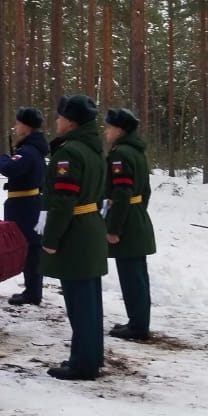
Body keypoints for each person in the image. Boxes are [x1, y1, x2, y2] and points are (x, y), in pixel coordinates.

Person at [41, 94, 108, 380]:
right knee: (90, 302)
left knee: (80, 303)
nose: (56, 121)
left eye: (59, 117)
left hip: (76, 231)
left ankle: (83, 363)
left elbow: (63, 200)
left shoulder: (69, 153)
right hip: (90, 226)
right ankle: (90, 356)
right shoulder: (93, 150)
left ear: (70, 121)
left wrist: (51, 238)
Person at [103, 107, 156, 341]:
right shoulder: (136, 152)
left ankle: (137, 326)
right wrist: (137, 211)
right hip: (136, 216)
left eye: (109, 127)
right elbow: (145, 191)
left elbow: (122, 192)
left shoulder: (121, 154)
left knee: (131, 275)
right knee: (138, 274)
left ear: (120, 130)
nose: (106, 132)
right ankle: (138, 320)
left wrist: (114, 228)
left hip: (126, 221)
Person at [0, 106, 49, 306]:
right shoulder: (34, 150)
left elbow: (9, 168)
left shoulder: (27, 152)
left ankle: (33, 292)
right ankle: (32, 290)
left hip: (24, 207)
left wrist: (1, 158)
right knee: (32, 249)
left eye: (18, 123)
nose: (15, 127)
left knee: (32, 250)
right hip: (28, 205)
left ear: (26, 127)